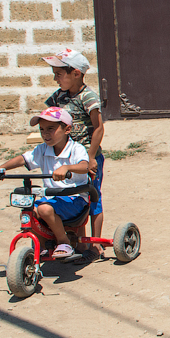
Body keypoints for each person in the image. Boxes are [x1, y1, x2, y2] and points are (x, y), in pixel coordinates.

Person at [0, 107, 90, 260]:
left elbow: (85, 166)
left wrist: (67, 167)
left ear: (67, 129)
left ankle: (63, 241)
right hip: (52, 198)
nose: (45, 133)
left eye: (51, 129)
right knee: (29, 211)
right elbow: (23, 159)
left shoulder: (75, 149)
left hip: (75, 198)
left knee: (44, 209)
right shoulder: (42, 150)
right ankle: (42, 244)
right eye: (42, 129)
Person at [43, 48, 106, 257]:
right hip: (66, 156)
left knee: (92, 196)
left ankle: (94, 243)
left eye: (59, 74)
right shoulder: (59, 97)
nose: (55, 79)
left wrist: (90, 157)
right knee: (71, 195)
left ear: (76, 73)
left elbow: (98, 128)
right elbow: (49, 117)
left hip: (87, 157)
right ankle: (77, 243)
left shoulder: (88, 97)